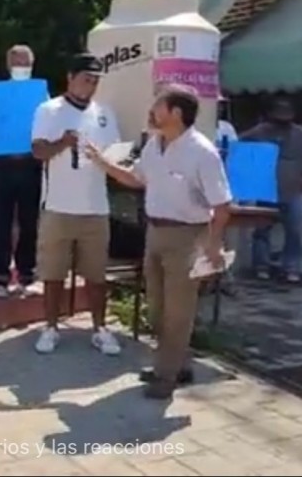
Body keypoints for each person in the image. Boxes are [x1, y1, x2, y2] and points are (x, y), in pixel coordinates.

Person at [87, 86, 232, 399]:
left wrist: (213, 245)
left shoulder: (202, 152)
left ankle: (166, 376)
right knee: (157, 309)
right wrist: (103, 163)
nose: (151, 112)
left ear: (176, 113)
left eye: (157, 107)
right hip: (154, 233)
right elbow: (136, 178)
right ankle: (180, 365)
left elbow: (222, 206)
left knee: (178, 312)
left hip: (187, 237)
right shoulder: (155, 144)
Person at [30, 53, 121, 356]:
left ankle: (100, 328)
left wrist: (108, 159)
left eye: (95, 81)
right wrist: (62, 143)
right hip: (58, 204)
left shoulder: (105, 113)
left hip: (96, 206)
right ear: (70, 77)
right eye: (86, 79)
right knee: (53, 272)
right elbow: (38, 152)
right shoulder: (49, 110)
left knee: (97, 273)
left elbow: (117, 156)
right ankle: (50, 327)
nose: (90, 85)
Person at [0, 45, 43, 298]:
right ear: (8, 65)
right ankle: (0, 277)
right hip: (1, 165)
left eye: (25, 63)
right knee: (0, 223)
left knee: (29, 222)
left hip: (30, 165)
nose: (21, 67)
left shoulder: (40, 95)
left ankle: (26, 273)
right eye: (17, 62)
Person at [241, 96, 302, 283]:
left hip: (293, 189)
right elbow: (240, 142)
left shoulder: (299, 133)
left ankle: (290, 267)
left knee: (295, 231)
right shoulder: (262, 131)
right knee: (262, 230)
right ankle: (262, 265)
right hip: (266, 188)